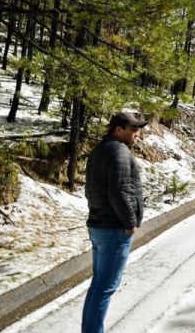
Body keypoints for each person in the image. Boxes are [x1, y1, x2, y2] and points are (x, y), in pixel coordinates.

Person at [82, 112, 148, 333]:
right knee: (105, 287)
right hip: (113, 229)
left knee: (98, 285)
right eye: (132, 129)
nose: (136, 134)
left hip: (99, 226)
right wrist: (130, 222)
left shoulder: (99, 150)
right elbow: (119, 192)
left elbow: (90, 189)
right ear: (117, 130)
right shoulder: (119, 151)